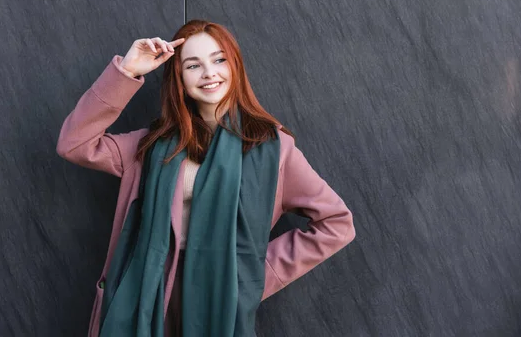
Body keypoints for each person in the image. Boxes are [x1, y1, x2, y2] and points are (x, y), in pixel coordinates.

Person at [56, 19, 356, 337]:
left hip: (219, 300)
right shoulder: (151, 145)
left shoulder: (273, 149)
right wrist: (128, 71)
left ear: (235, 66)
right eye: (193, 65)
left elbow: (336, 223)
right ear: (180, 79)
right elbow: (74, 144)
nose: (209, 73)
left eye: (219, 59)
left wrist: (253, 274)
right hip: (150, 296)